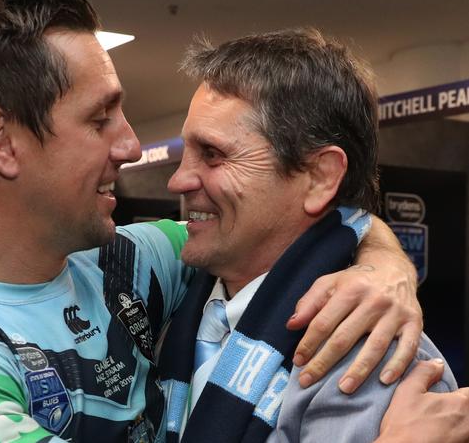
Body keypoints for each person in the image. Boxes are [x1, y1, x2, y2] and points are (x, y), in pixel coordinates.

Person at [0, 0, 450, 443]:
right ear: (2, 142)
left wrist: (379, 262)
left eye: (212, 153)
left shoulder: (131, 265)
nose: (133, 147)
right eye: (99, 119)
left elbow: (287, 231)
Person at [158, 28, 458, 443]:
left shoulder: (367, 352)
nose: (178, 181)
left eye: (213, 154)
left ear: (319, 177)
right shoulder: (164, 299)